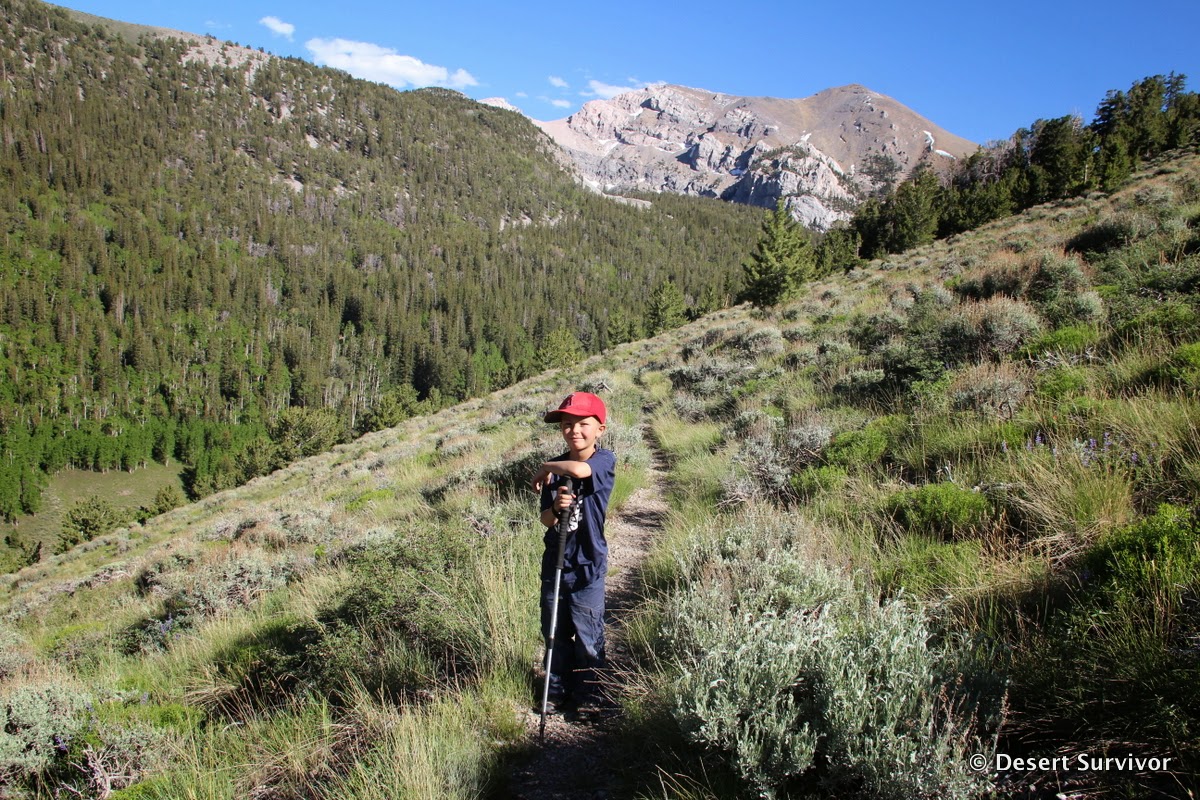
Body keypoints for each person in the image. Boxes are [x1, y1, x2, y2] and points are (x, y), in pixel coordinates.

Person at [530, 391, 616, 711]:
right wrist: (555, 506)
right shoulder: (554, 472)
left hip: (587, 564)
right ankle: (555, 690)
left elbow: (580, 471)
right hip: (556, 561)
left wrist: (545, 466)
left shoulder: (603, 461)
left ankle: (589, 694)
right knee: (554, 631)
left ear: (600, 429)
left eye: (583, 424)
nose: (574, 430)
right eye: (567, 424)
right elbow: (545, 520)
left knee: (588, 633)